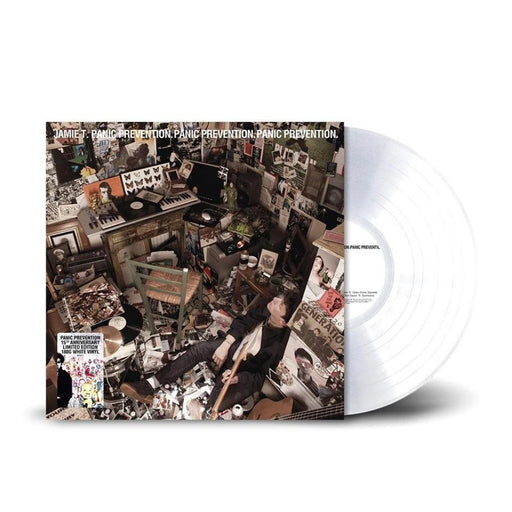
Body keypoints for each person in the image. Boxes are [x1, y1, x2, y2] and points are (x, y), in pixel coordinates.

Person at [120, 293, 297, 415]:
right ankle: (150, 384)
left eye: (279, 304)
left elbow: (260, 378)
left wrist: (237, 378)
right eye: (279, 298)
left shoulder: (277, 347)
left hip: (243, 372)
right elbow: (243, 321)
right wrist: (226, 344)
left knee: (214, 404)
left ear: (282, 321)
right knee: (199, 349)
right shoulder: (267, 307)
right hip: (235, 348)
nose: (275, 299)